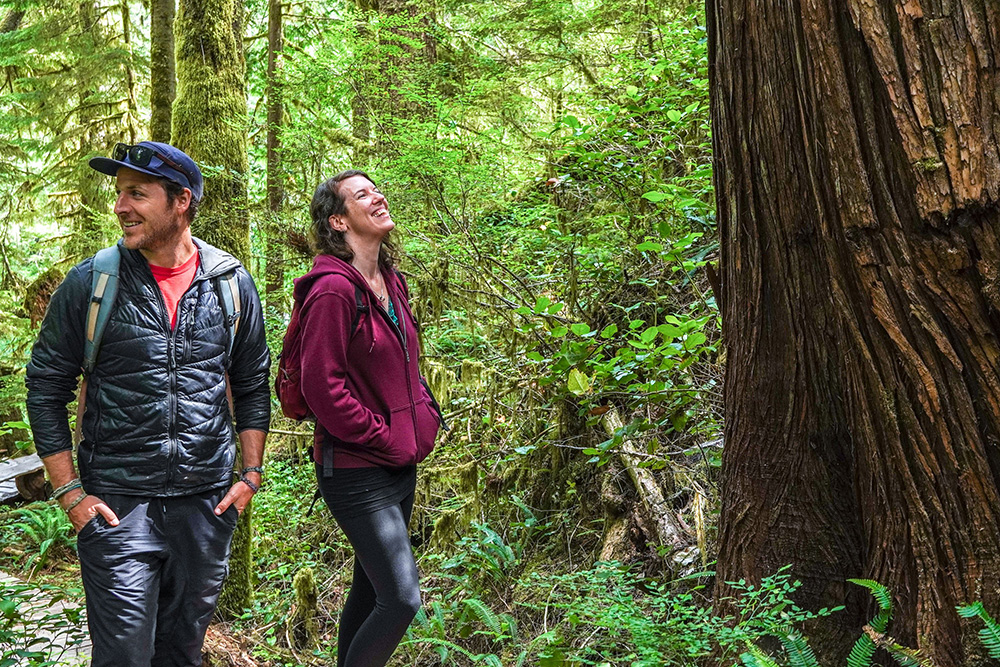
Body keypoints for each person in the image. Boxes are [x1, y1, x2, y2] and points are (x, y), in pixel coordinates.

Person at [25, 141, 271, 667]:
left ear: (181, 200)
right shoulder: (91, 283)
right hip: (117, 506)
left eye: (136, 193)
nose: (119, 206)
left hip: (205, 505)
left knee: (182, 654)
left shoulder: (230, 283)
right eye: (118, 194)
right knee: (124, 658)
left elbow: (251, 382)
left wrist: (249, 475)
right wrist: (71, 494)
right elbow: (47, 386)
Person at [295, 170, 441, 667]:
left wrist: (424, 415)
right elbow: (322, 389)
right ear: (338, 221)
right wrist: (383, 435)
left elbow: (403, 368)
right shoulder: (334, 291)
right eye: (362, 195)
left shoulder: (389, 282)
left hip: (397, 462)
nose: (377, 196)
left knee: (368, 588)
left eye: (376, 188)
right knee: (401, 599)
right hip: (357, 468)